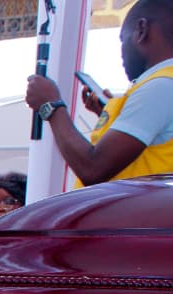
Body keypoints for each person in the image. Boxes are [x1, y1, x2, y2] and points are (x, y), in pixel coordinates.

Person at [25, 0, 173, 185]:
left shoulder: (160, 87)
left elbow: (93, 169)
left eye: (123, 40)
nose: (122, 53)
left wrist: (51, 106)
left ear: (141, 29)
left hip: (128, 213)